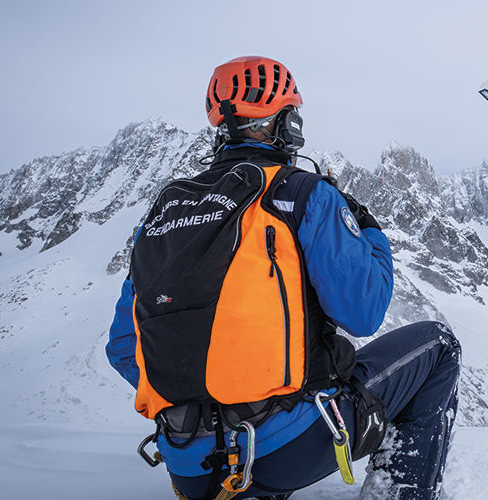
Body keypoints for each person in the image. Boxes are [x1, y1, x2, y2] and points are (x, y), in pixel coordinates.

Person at [106, 56, 460, 500]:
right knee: (439, 345)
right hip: (285, 452)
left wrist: (206, 399)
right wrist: (367, 228)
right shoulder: (303, 194)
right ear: (286, 125)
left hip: (189, 469)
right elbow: (364, 311)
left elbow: (123, 347)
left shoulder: (162, 215)